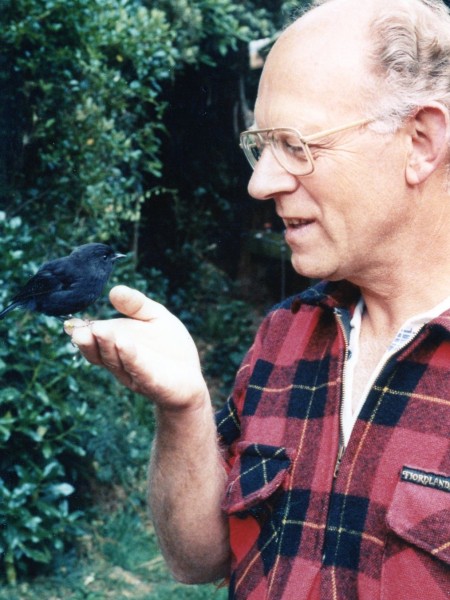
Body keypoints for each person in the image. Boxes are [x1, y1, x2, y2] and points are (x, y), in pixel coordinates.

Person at [66, 0, 450, 597]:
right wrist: (184, 407)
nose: (259, 182)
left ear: (421, 141)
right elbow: (199, 558)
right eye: (261, 146)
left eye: (295, 144)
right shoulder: (287, 334)